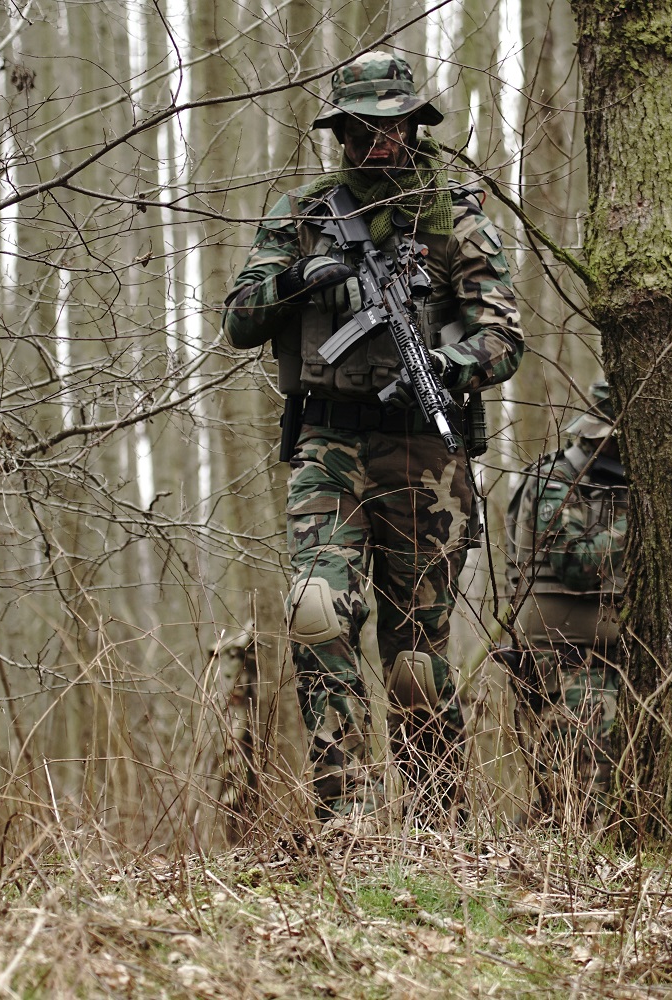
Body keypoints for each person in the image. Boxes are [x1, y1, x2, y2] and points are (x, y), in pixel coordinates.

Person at [221, 51, 523, 821]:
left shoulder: (455, 210)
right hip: (330, 445)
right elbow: (240, 320)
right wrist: (304, 279)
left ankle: (435, 822)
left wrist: (443, 362)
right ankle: (348, 817)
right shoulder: (304, 209)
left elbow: (502, 340)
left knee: (416, 655)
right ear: (341, 131)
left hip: (427, 448)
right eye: (360, 128)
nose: (377, 140)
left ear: (414, 123)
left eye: (391, 125)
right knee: (317, 609)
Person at [502, 381, 627, 820]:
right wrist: (638, 521)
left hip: (606, 655)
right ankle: (543, 877)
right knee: (577, 790)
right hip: (564, 658)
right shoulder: (555, 481)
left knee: (589, 786)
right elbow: (576, 563)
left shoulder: (606, 484)